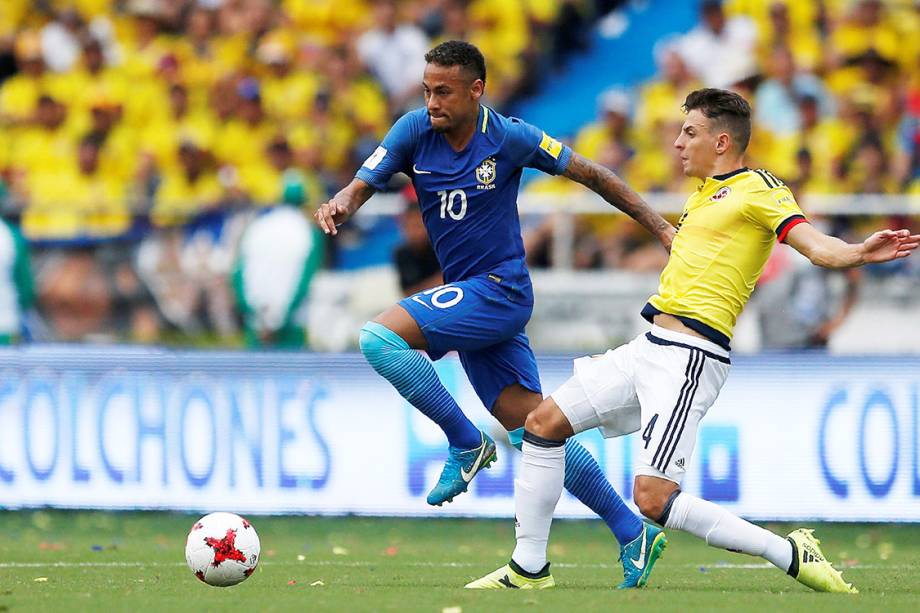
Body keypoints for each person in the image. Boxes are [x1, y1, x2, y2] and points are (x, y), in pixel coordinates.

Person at [467, 88, 919, 592]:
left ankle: (788, 550)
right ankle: (528, 569)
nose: (678, 143)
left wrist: (857, 252)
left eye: (690, 133)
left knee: (653, 499)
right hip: (649, 345)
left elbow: (815, 246)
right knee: (542, 424)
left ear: (722, 141)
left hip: (690, 359)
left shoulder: (760, 189)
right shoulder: (704, 192)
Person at [315, 40, 674, 588]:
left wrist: (662, 227)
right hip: (470, 295)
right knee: (537, 428)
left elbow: (594, 175)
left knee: (378, 339)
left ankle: (464, 441)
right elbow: (366, 179)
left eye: (444, 92)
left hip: (500, 290)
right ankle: (632, 531)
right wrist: (342, 201)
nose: (432, 102)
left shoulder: (509, 136)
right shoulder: (414, 131)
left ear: (476, 89)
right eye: (427, 90)